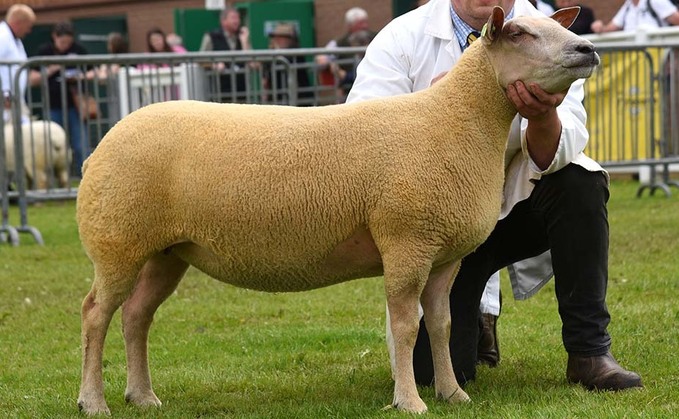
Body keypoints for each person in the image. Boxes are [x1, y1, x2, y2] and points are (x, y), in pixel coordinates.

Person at [347, 0, 643, 392]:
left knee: (580, 180)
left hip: (516, 207)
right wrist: (435, 108)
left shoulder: (549, 35)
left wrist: (542, 115)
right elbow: (363, 130)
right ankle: (478, 318)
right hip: (439, 226)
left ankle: (590, 352)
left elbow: (567, 142)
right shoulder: (402, 38)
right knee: (433, 376)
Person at [36, 21, 90, 177]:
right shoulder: (44, 51)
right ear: (54, 37)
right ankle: (55, 182)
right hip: (53, 106)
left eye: (68, 42)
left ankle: (85, 178)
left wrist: (80, 76)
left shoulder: (79, 50)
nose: (65, 45)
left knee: (81, 145)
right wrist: (54, 67)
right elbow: (32, 78)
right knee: (53, 146)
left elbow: (95, 71)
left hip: (75, 106)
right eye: (62, 42)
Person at [316, 7, 377, 99]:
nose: (364, 26)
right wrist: (326, 61)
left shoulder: (377, 37)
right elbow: (322, 58)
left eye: (366, 22)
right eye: (360, 23)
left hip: (374, 85)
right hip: (349, 90)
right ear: (350, 26)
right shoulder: (339, 43)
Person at [199, 7, 251, 102]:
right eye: (233, 18)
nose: (237, 21)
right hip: (219, 91)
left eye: (238, 18)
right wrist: (214, 64)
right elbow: (200, 60)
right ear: (223, 21)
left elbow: (253, 63)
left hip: (241, 91)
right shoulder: (211, 36)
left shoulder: (242, 36)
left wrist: (244, 42)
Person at [0, 4, 37, 124]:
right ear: (19, 22)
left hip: (15, 101)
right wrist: (3, 94)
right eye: (28, 26)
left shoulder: (15, 40)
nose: (29, 31)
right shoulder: (2, 37)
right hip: (6, 101)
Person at [262, 23, 312, 106]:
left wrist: (277, 52)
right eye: (275, 37)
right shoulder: (272, 54)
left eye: (281, 37)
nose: (276, 40)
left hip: (298, 101)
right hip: (277, 100)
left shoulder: (296, 53)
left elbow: (288, 62)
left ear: (290, 39)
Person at [591, 0, 679, 33]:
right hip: (633, 57)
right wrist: (600, 27)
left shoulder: (655, 1)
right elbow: (611, 27)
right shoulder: (628, 6)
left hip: (656, 57)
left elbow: (676, 20)